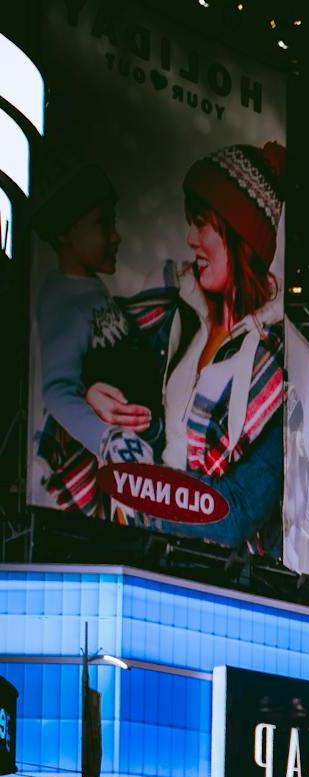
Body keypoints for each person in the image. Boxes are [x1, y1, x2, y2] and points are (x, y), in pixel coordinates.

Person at [97, 140, 289, 551]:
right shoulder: (180, 313)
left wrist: (145, 498)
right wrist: (116, 406)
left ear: (239, 237)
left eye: (202, 224)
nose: (189, 238)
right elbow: (172, 440)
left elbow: (235, 514)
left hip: (221, 582)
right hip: (149, 549)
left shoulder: (279, 366)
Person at [29, 155, 131, 519]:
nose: (115, 235)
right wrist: (107, 441)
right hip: (91, 466)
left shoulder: (89, 288)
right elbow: (58, 392)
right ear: (64, 235)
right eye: (103, 224)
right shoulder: (61, 300)